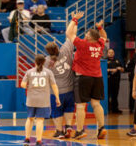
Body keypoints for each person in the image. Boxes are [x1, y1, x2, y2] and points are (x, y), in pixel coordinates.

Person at [66, 11, 107, 139]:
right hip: (98, 77)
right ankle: (101, 128)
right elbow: (104, 36)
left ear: (90, 37)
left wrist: (74, 19)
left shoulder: (83, 44)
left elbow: (69, 33)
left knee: (80, 105)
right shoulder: (100, 44)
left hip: (83, 77)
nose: (85, 35)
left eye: (87, 34)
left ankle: (79, 130)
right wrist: (100, 28)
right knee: (96, 104)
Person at [21, 54, 60, 146]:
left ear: (35, 62)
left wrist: (29, 86)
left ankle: (27, 138)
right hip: (43, 100)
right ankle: (38, 141)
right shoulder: (48, 72)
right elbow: (54, 86)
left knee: (30, 118)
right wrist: (57, 98)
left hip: (31, 99)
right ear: (44, 62)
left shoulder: (29, 72)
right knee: (40, 120)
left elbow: (23, 85)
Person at [44, 39, 75, 139]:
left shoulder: (47, 61)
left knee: (56, 111)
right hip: (70, 89)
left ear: (48, 51)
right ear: (57, 47)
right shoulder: (66, 52)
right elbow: (70, 38)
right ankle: (69, 126)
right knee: (69, 108)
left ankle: (59, 131)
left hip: (56, 92)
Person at [107, 48, 124, 114]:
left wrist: (120, 69)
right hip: (108, 80)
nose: (111, 53)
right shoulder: (105, 61)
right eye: (109, 52)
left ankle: (115, 109)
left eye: (112, 52)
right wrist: (111, 70)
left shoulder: (117, 61)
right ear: (107, 53)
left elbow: (123, 69)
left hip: (116, 80)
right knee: (108, 95)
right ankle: (108, 109)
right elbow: (103, 70)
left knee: (115, 95)